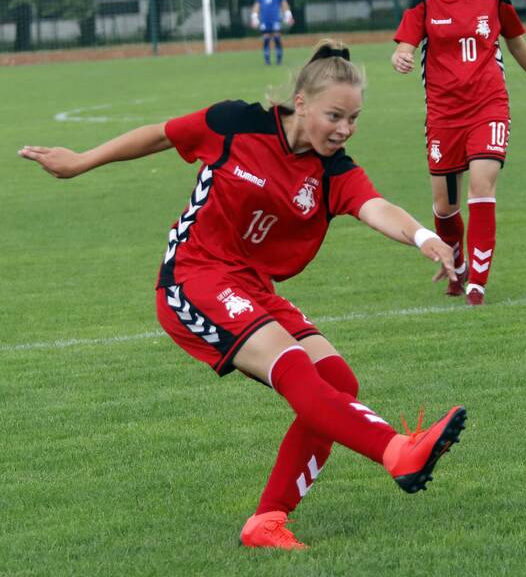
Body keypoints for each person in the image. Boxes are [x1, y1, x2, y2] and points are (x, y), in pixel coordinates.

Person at [18, 40, 467, 551]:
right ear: (300, 103)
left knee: (336, 378)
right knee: (296, 366)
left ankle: (267, 522)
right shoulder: (236, 123)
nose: (344, 129)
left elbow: (373, 206)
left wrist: (426, 238)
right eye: (334, 115)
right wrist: (81, 161)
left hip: (252, 286)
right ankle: (395, 450)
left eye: (353, 118)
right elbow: (161, 135)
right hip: (195, 276)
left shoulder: (332, 170)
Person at [391, 0, 526, 306]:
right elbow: (405, 44)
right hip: (444, 116)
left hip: (489, 106)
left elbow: (515, 41)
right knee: (445, 207)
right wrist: (400, 56)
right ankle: (459, 265)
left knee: (482, 187)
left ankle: (477, 284)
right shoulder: (425, 2)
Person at [251, 0, 294, 66]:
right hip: (265, 18)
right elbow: (257, 5)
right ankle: (267, 61)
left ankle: (279, 60)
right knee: (266, 38)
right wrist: (254, 17)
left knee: (277, 38)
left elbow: (284, 3)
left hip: (275, 18)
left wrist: (288, 15)